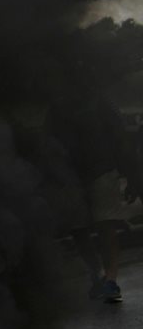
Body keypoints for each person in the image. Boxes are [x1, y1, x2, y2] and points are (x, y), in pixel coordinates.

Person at [45, 75, 143, 304]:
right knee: (79, 227)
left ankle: (109, 278)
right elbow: (48, 145)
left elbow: (121, 141)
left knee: (105, 224)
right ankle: (98, 272)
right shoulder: (57, 108)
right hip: (71, 175)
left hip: (101, 171)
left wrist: (132, 177)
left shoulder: (102, 103)